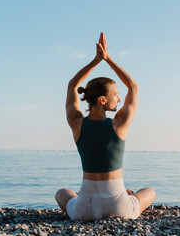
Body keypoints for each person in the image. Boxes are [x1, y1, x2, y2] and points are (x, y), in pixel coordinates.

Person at [55, 32, 156, 221]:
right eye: (116, 94)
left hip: (84, 208)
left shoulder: (76, 122)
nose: (119, 98)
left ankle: (83, 198)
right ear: (102, 100)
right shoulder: (120, 124)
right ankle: (127, 195)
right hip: (119, 207)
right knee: (150, 191)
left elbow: (72, 85)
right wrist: (108, 59)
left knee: (61, 193)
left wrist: (95, 61)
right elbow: (133, 86)